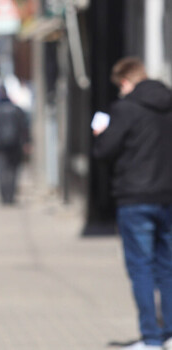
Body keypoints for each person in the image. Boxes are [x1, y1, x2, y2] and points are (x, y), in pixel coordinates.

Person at [93, 57, 172, 350]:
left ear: (126, 81)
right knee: (167, 267)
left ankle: (151, 338)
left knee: (141, 268)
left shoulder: (125, 109)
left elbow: (104, 151)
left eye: (120, 86)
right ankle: (170, 334)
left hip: (135, 198)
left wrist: (101, 135)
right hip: (167, 196)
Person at [0, 86, 29, 205]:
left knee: (2, 170)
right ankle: (11, 196)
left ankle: (4, 196)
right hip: (15, 144)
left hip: (0, 145)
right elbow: (25, 127)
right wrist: (27, 143)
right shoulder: (17, 110)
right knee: (13, 170)